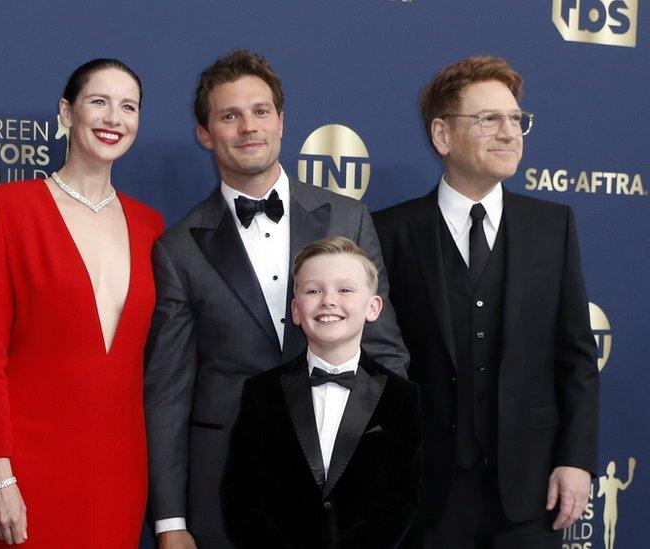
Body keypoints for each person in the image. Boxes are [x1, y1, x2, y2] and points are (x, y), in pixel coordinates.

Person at [144, 50, 409, 549]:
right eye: (230, 115)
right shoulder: (178, 247)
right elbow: (167, 392)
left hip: (342, 482)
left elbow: (386, 352)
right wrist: (170, 521)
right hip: (226, 485)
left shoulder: (347, 218)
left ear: (282, 122)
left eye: (261, 111)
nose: (249, 126)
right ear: (205, 134)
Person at [373, 56, 599, 548]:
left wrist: (576, 459)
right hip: (423, 495)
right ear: (442, 135)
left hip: (531, 493)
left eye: (517, 119)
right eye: (488, 119)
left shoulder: (552, 227)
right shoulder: (387, 231)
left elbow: (577, 355)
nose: (509, 132)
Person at [0, 59, 164, 548]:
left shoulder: (153, 228)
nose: (113, 119)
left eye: (128, 107)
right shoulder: (6, 210)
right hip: (28, 472)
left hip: (121, 471)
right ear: (66, 112)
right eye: (99, 102)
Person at [221, 237, 420, 548]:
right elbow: (241, 496)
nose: (328, 300)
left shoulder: (402, 398)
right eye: (313, 290)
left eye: (345, 290)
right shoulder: (262, 393)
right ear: (297, 310)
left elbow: (401, 499)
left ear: (373, 307)